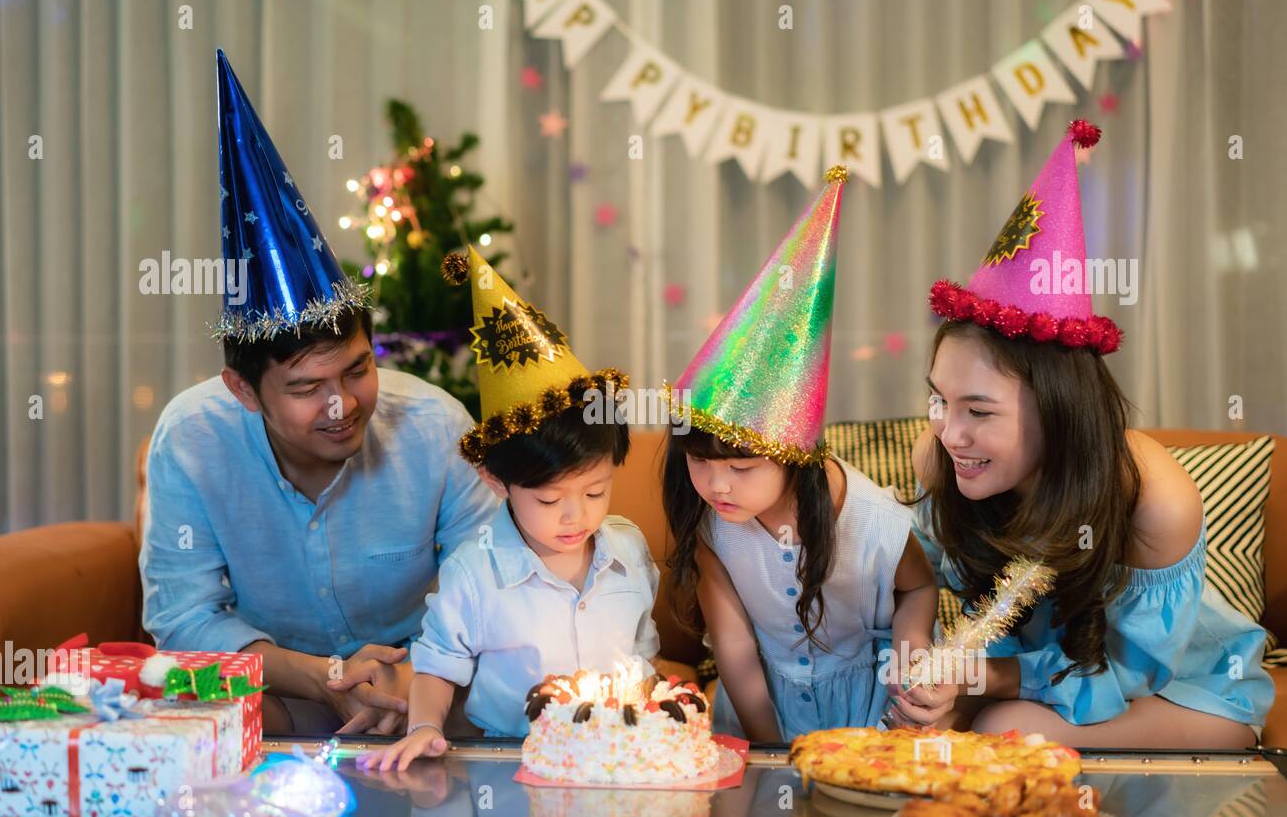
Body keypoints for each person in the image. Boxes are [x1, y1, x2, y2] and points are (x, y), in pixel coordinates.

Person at [139, 51, 498, 736]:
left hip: (423, 699)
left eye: (358, 370)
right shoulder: (192, 439)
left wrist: (409, 680)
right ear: (243, 388)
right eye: (306, 388)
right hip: (271, 707)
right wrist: (325, 678)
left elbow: (493, 591)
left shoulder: (432, 426)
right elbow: (185, 620)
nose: (343, 404)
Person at [907, 120, 1273, 747]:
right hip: (1039, 681)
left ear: (1058, 409)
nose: (950, 432)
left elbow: (1126, 675)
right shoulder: (942, 453)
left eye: (980, 410)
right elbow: (910, 576)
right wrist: (923, 660)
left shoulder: (1154, 499)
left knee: (1002, 728)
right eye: (940, 400)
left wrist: (982, 681)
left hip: (1179, 688)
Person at [661, 166, 946, 744]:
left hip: (869, 711)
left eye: (741, 468)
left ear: (792, 457)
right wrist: (772, 752)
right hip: (766, 711)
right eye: (699, 463)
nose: (717, 486)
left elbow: (917, 587)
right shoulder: (712, 526)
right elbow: (737, 650)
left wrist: (910, 668)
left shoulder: (865, 516)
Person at [357, 247, 662, 771]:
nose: (576, 517)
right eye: (548, 499)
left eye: (596, 492)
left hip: (617, 764)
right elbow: (437, 667)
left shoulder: (628, 550)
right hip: (510, 764)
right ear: (496, 481)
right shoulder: (474, 573)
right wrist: (426, 727)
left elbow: (641, 654)